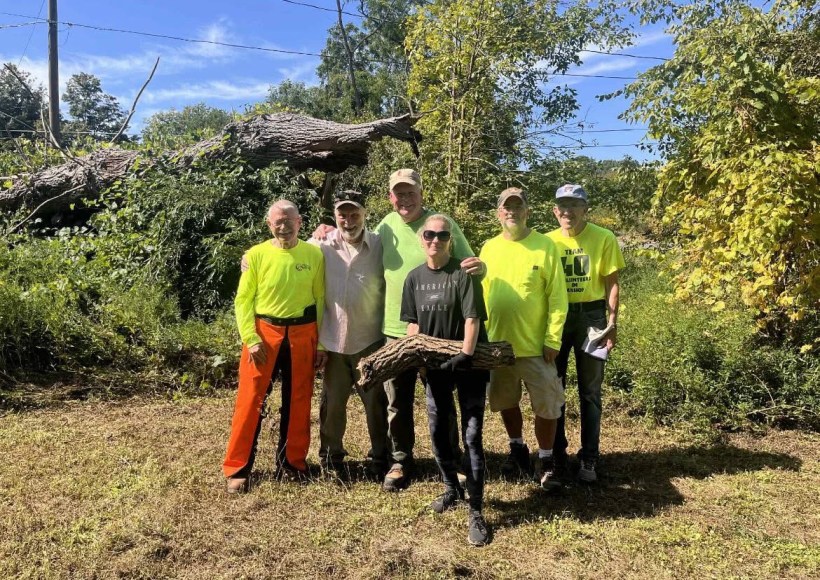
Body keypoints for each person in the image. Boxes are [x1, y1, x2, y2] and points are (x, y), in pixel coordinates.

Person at [315, 168, 483, 492]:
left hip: (437, 331)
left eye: (410, 192)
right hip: (394, 331)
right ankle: (401, 460)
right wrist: (326, 230)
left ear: (421, 193)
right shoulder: (385, 228)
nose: (405, 199)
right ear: (390, 197)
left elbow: (469, 265)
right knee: (396, 402)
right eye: (399, 193)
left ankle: (450, 460)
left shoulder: (440, 224)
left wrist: (482, 267)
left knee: (441, 401)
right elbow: (352, 240)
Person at [223, 200, 326, 492]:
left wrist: (321, 343)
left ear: (299, 222)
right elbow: (243, 300)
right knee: (250, 400)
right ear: (269, 225)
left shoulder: (314, 254)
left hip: (303, 333)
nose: (284, 227)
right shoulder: (256, 255)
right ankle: (238, 467)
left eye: (289, 221)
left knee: (299, 401)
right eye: (277, 222)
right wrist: (250, 338)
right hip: (263, 334)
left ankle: (292, 464)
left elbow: (321, 299)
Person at [401, 213, 490, 546]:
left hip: (469, 364)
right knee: (438, 429)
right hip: (434, 367)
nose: (435, 240)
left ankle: (476, 510)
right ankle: (452, 488)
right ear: (421, 239)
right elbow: (412, 325)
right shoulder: (413, 278)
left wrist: (465, 355)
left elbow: (472, 318)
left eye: (442, 235)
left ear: (450, 240)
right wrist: (418, 359)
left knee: (472, 435)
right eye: (429, 235)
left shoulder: (463, 274)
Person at [479, 187, 568, 491]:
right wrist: (482, 338)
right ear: (498, 214)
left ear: (527, 211)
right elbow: (481, 294)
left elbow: (558, 296)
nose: (512, 212)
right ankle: (517, 448)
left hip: (536, 347)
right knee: (506, 401)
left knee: (547, 405)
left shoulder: (544, 246)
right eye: (507, 207)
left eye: (518, 207)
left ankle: (546, 460)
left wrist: (553, 338)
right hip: (498, 346)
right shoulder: (489, 247)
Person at [547, 184, 625, 483]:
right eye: (563, 205)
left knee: (590, 391)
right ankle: (557, 454)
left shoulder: (603, 237)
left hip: (592, 318)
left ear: (585, 209)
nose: (568, 211)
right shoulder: (546, 241)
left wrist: (612, 323)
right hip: (556, 318)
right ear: (555, 211)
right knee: (554, 388)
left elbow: (612, 282)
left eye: (574, 205)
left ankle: (589, 456)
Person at [312, 190, 390, 479]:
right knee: (332, 405)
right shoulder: (320, 244)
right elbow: (288, 250)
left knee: (376, 405)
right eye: (342, 214)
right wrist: (250, 257)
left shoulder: (380, 244)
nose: (348, 220)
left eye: (354, 213)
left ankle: (381, 457)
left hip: (370, 341)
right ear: (334, 216)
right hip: (333, 341)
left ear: (364, 214)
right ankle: (331, 459)